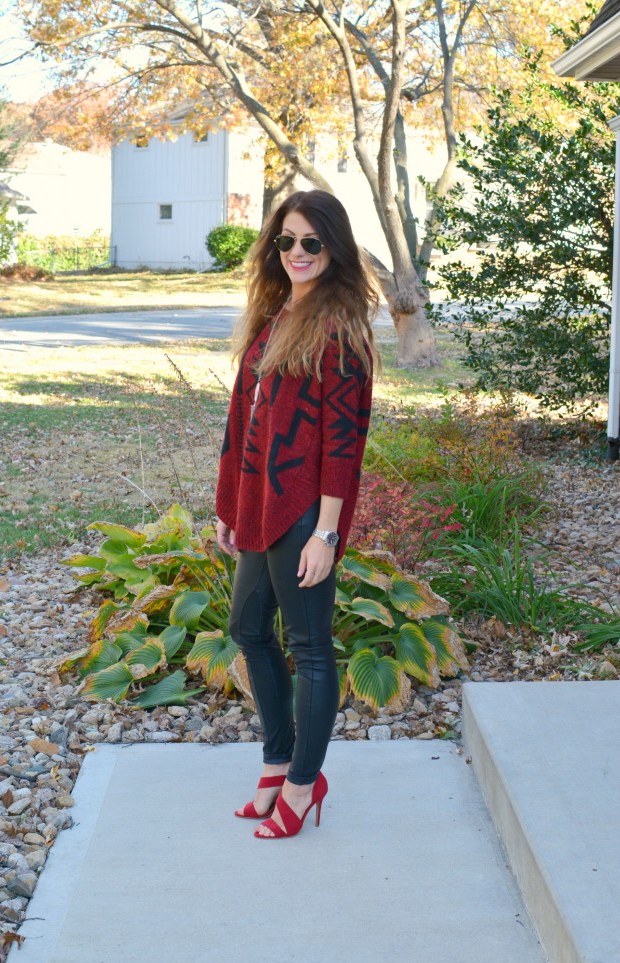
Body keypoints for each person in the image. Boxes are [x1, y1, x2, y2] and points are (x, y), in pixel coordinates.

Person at [215, 189, 379, 840]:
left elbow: (345, 441)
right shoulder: (275, 313)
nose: (297, 253)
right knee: (249, 629)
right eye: (286, 241)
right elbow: (240, 421)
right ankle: (276, 761)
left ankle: (304, 783)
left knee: (308, 648)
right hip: (259, 500)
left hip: (305, 507)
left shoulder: (341, 329)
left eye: (311, 242)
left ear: (333, 249)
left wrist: (327, 531)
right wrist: (229, 505)